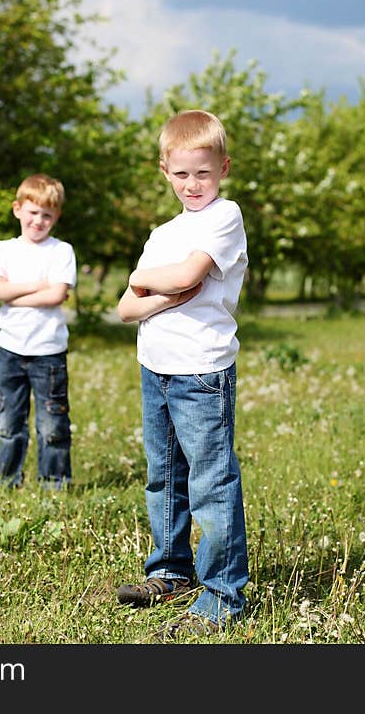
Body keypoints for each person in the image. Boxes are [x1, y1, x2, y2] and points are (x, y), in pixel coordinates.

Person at [115, 109, 249, 640]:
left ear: (223, 168)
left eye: (204, 173)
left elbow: (192, 275)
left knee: (211, 483)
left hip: (201, 370)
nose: (193, 184)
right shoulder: (162, 233)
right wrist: (150, 285)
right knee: (163, 477)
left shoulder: (224, 216)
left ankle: (223, 593)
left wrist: (153, 287)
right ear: (164, 170)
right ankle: (170, 572)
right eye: (182, 174)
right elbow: (127, 307)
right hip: (157, 367)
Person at [0, 173, 76, 490]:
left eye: (47, 215)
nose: (38, 221)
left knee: (52, 423)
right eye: (33, 212)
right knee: (9, 420)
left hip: (48, 352)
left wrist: (12, 292)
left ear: (56, 217)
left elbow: (56, 296)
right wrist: (36, 285)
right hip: (10, 349)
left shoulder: (61, 251)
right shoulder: (4, 249)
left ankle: (54, 484)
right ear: (18, 209)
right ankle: (8, 480)